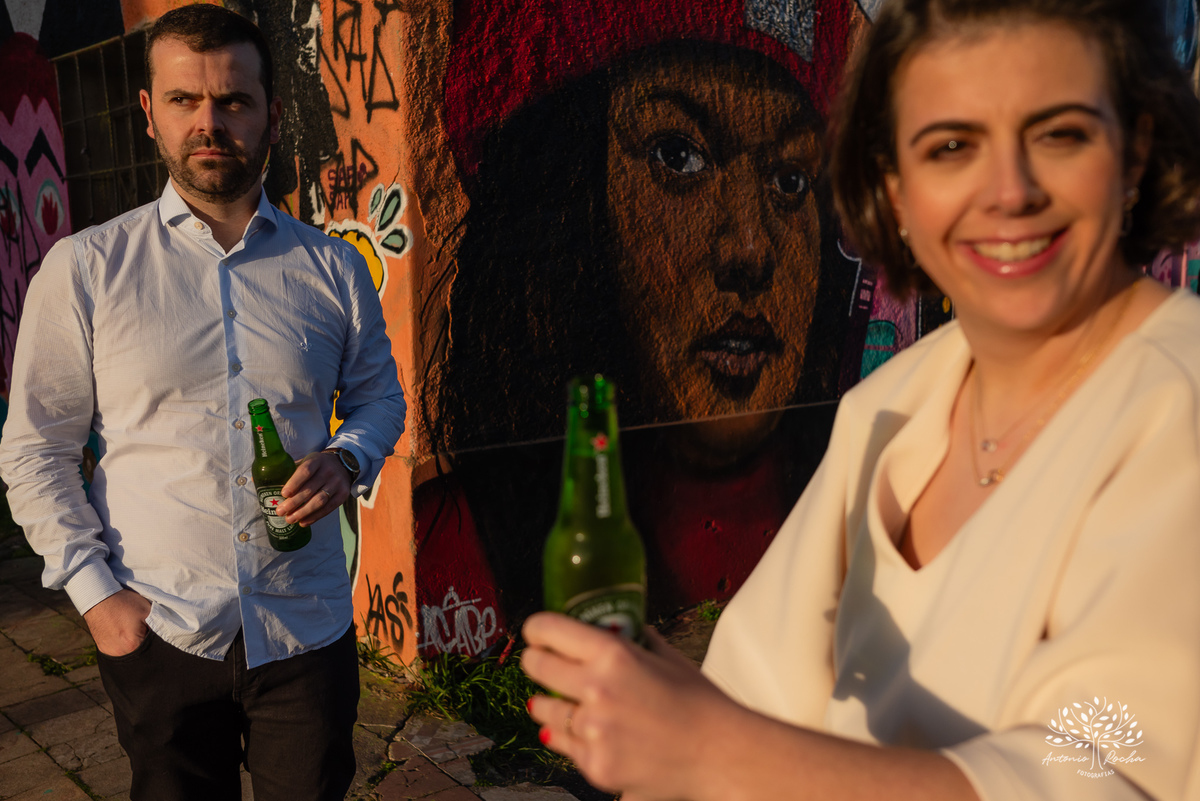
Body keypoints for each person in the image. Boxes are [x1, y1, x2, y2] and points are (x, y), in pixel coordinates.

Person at [520, 0, 1200, 799]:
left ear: (1135, 153)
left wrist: (716, 749)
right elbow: (758, 686)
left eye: (1059, 135)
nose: (1008, 191)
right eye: (951, 146)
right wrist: (665, 712)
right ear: (897, 192)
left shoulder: (1173, 400)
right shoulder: (894, 404)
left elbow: (1108, 762)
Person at [0, 5, 406, 800]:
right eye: (185, 100)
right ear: (149, 112)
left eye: (233, 101)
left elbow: (378, 399)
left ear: (272, 115)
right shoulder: (85, 269)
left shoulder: (332, 270)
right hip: (161, 629)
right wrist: (97, 598)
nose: (209, 123)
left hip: (307, 627)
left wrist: (350, 454)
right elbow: (35, 450)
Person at [413, 0, 864, 654]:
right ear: (560, 204)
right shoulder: (456, 562)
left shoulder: (879, 503)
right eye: (677, 156)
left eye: (791, 178)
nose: (750, 247)